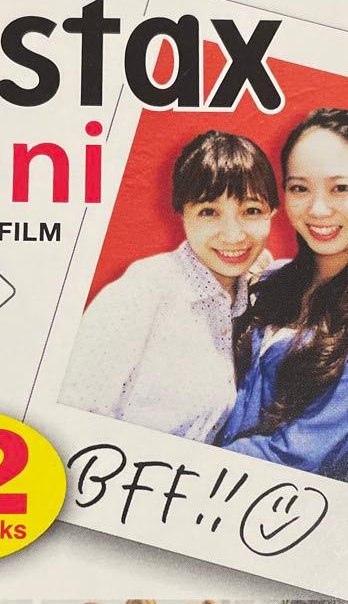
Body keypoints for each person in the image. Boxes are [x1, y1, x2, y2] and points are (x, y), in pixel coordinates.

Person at [60, 131, 279, 442]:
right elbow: (74, 414)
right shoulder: (143, 291)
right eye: (209, 212)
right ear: (182, 213)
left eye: (251, 211)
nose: (233, 235)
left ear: (272, 214)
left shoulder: (249, 291)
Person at [219, 108, 348, 482]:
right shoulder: (268, 279)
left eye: (340, 188)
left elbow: (298, 457)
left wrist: (186, 456)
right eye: (300, 188)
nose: (317, 209)